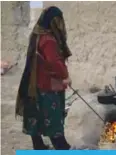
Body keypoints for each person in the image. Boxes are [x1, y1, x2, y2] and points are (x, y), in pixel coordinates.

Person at [15, 6, 72, 150]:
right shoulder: (49, 40)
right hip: (47, 85)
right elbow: (54, 62)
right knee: (53, 118)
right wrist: (65, 77)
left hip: (34, 83)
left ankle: (38, 145)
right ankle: (61, 147)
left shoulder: (37, 34)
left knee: (36, 113)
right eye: (59, 21)